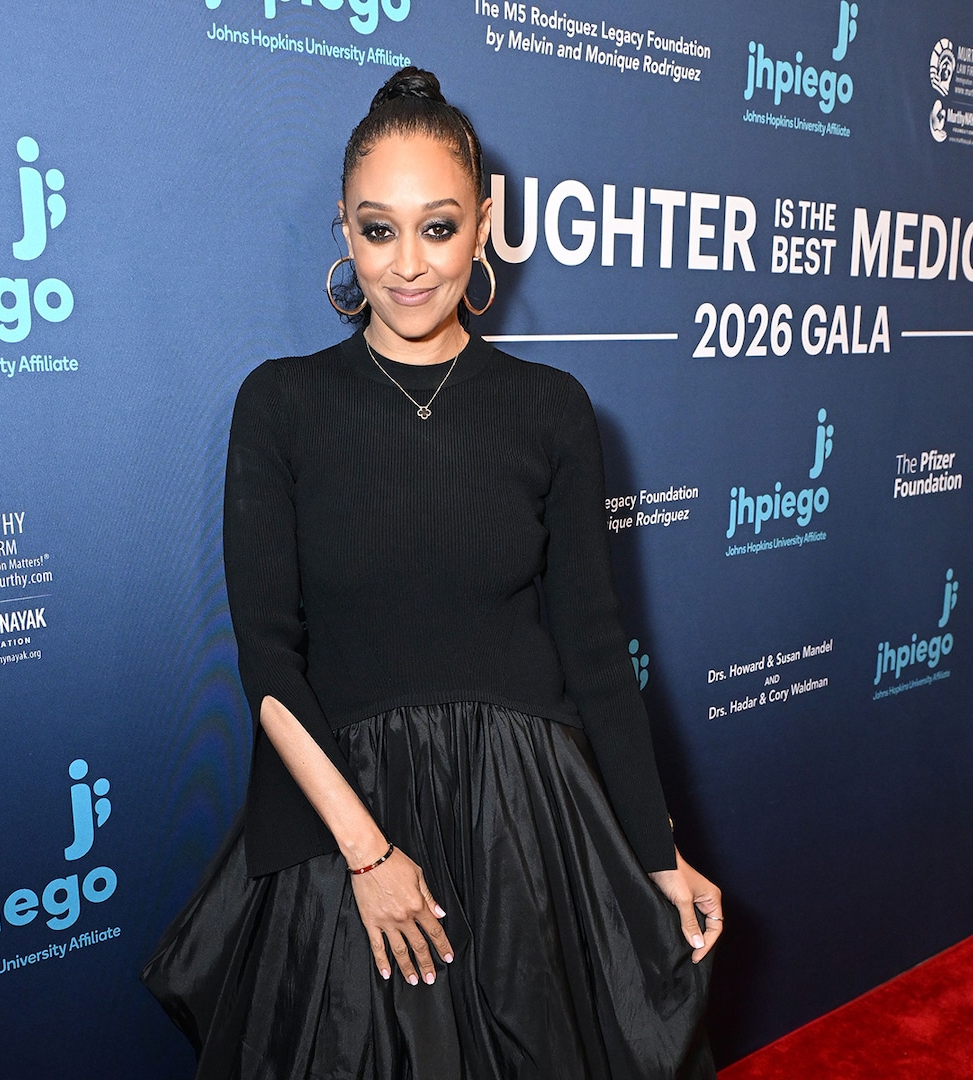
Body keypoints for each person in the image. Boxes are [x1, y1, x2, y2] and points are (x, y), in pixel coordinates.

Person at [143, 67, 722, 1080]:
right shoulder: (282, 405)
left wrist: (655, 850)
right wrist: (366, 856)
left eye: (439, 228)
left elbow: (596, 652)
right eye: (378, 230)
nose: (408, 265)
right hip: (344, 815)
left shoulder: (552, 408)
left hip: (524, 826)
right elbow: (269, 662)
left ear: (484, 226)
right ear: (344, 229)